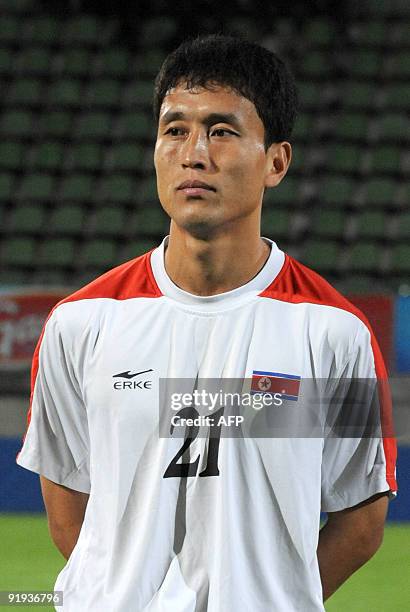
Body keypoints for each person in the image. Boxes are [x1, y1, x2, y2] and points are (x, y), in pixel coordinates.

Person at [17, 34, 397, 611]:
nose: (195, 153)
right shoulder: (81, 323)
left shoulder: (334, 334)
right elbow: (69, 500)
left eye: (222, 131)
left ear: (276, 161)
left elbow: (362, 516)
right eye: (175, 130)